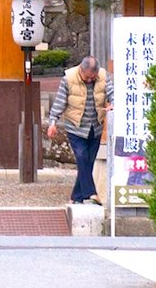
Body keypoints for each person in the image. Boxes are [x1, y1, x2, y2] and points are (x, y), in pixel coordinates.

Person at [45, 56, 110, 205]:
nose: (89, 80)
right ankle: (91, 193)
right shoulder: (68, 78)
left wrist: (112, 103)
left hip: (96, 127)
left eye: (92, 78)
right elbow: (60, 101)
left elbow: (111, 92)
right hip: (75, 127)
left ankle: (76, 197)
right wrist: (53, 122)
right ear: (81, 69)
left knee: (88, 163)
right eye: (86, 77)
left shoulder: (103, 76)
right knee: (81, 156)